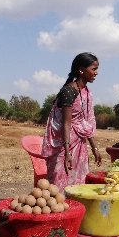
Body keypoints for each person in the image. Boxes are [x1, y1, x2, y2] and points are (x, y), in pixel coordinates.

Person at [41, 52, 102, 192]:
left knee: (78, 183)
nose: (96, 73)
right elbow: (66, 124)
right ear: (81, 70)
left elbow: (84, 124)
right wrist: (67, 152)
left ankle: (76, 211)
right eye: (93, 69)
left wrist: (95, 148)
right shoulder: (69, 91)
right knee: (60, 183)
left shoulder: (86, 92)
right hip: (65, 146)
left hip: (80, 145)